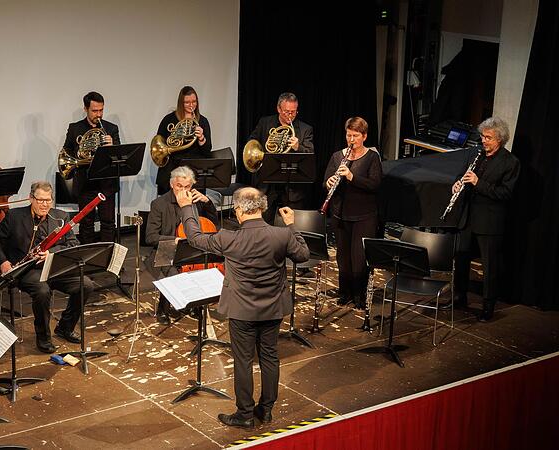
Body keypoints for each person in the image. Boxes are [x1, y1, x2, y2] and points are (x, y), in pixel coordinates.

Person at [176, 187, 309, 428]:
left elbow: (195, 238)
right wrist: (291, 225)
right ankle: (266, 410)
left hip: (242, 311)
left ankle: (245, 414)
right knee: (270, 357)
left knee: (243, 361)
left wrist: (187, 206)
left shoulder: (229, 238)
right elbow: (303, 255)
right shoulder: (282, 235)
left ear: (238, 210)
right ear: (262, 207)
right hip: (273, 308)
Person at [0, 181, 94, 353]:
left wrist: (51, 254)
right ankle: (43, 337)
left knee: (85, 285)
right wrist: (2, 262)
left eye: (48, 200)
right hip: (27, 270)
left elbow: (73, 244)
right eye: (40, 200)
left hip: (54, 267)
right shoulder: (15, 217)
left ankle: (65, 327)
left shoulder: (60, 217)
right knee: (42, 291)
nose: (45, 205)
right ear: (31, 198)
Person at [451, 117, 520, 321]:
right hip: (468, 218)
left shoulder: (510, 162)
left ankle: (488, 306)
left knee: (489, 266)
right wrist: (458, 184)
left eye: (488, 138)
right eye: (482, 136)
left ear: (500, 139)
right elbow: (464, 176)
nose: (484, 141)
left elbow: (505, 194)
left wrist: (478, 183)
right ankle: (459, 296)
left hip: (490, 222)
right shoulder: (477, 154)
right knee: (461, 258)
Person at [146, 166, 218, 324]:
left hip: (192, 248)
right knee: (174, 274)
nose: (183, 190)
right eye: (179, 186)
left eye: (187, 187)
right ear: (172, 184)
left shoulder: (196, 202)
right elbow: (150, 237)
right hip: (166, 249)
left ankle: (194, 306)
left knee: (202, 271)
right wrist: (174, 240)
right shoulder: (159, 204)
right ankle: (163, 309)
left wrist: (207, 203)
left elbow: (213, 224)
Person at [323, 117, 382, 308]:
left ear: (364, 136)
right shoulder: (337, 156)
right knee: (343, 257)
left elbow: (375, 184)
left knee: (359, 258)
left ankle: (359, 295)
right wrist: (329, 182)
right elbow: (325, 181)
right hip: (340, 213)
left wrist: (351, 177)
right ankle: (345, 293)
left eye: (356, 135)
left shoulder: (372, 157)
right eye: (349, 135)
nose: (351, 139)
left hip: (364, 215)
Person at [61, 91, 120, 244]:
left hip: (106, 183)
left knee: (108, 223)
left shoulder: (111, 129)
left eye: (101, 110)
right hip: (85, 183)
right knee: (86, 224)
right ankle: (87, 260)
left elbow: (119, 155)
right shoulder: (75, 128)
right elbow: (67, 151)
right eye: (94, 111)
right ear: (85, 109)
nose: (98, 114)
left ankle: (107, 256)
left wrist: (111, 146)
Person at [248, 92, 314, 220]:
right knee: (264, 223)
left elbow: (310, 154)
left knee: (291, 225)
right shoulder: (265, 122)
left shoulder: (306, 129)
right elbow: (252, 143)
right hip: (267, 183)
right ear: (278, 109)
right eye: (286, 112)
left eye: (293, 112)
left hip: (292, 186)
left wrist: (297, 147)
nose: (290, 116)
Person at [155, 86, 213, 195]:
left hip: (194, 171)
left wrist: (201, 138)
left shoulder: (203, 121)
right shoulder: (169, 119)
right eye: (187, 102)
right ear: (181, 103)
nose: (191, 105)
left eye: (194, 102)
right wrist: (176, 136)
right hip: (172, 167)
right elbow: (160, 143)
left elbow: (207, 151)